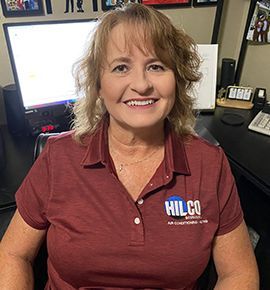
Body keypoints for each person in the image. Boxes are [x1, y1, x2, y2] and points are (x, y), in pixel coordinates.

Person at [0, 3, 259, 289]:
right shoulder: (58, 157)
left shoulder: (209, 164)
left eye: (156, 66)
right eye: (121, 67)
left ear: (178, 79)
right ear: (98, 83)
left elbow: (239, 274)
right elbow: (12, 253)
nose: (141, 84)